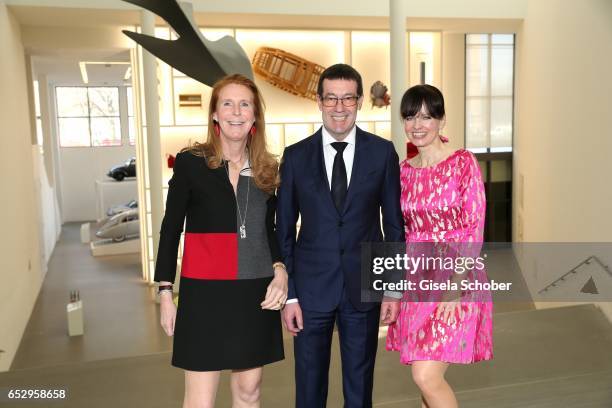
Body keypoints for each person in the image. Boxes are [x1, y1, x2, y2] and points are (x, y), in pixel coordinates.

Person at [155, 74, 288, 408]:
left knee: (250, 391)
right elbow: (171, 229)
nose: (236, 111)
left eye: (245, 104)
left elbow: (269, 231)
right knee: (200, 401)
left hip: (254, 291)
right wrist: (166, 293)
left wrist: (281, 270)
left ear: (255, 115)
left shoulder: (268, 170)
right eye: (227, 103)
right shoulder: (191, 164)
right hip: (204, 294)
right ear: (214, 113)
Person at [276, 63, 405, 408]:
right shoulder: (295, 157)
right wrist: (290, 295)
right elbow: (283, 231)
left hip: (364, 286)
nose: (339, 107)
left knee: (359, 391)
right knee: (309, 391)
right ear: (318, 101)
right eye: (331, 98)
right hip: (309, 290)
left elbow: (394, 225)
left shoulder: (382, 153)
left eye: (347, 98)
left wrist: (393, 288)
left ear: (360, 101)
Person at [385, 84, 493, 408]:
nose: (417, 125)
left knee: (426, 376)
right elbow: (398, 231)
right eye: (410, 117)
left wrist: (456, 286)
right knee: (422, 375)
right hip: (415, 281)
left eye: (426, 117)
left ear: (442, 121)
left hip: (455, 278)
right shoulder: (402, 173)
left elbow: (474, 227)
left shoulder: (463, 163)